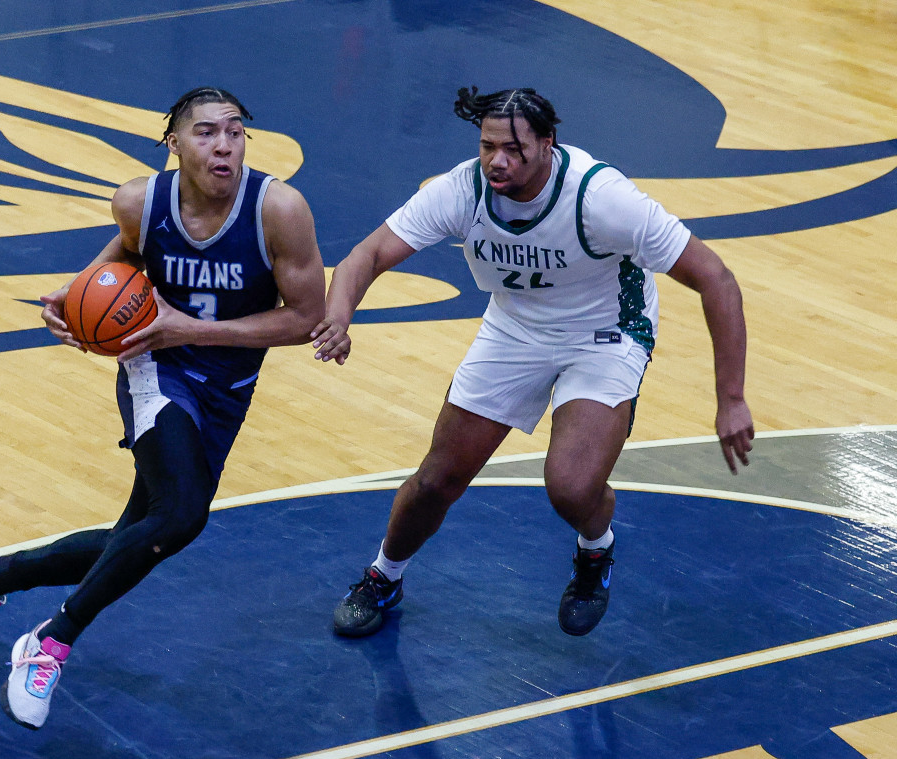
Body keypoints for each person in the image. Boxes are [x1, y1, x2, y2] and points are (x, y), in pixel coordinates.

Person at [0, 87, 326, 728]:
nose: (224, 146)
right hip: (153, 367)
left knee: (139, 539)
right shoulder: (141, 202)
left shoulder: (279, 210)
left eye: (235, 132)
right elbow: (128, 250)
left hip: (226, 388)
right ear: (174, 143)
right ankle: (50, 642)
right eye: (206, 132)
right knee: (181, 516)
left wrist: (191, 329)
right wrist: (78, 294)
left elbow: (305, 317)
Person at [312, 87, 754, 639]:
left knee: (570, 486)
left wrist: (731, 399)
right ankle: (384, 576)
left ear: (548, 144)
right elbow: (369, 253)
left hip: (604, 333)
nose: (497, 161)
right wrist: (339, 315)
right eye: (487, 146)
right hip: (515, 328)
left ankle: (595, 550)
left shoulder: (601, 199)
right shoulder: (463, 189)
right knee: (438, 479)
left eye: (514, 149)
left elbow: (716, 278)